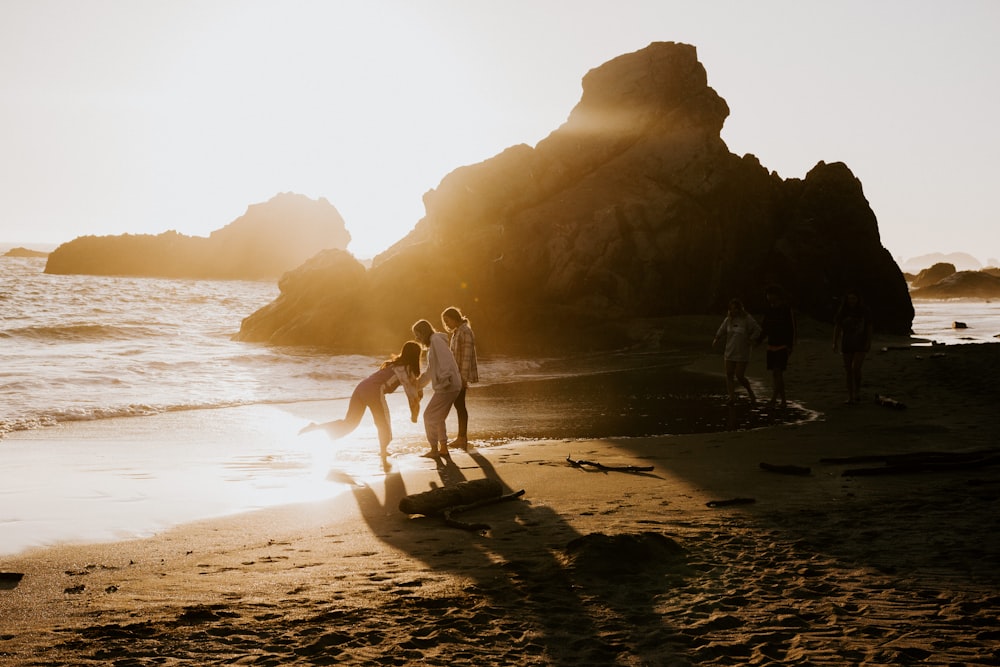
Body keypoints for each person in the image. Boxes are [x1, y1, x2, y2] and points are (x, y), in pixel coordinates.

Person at [299, 341, 422, 471]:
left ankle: (317, 427)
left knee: (350, 423)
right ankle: (383, 451)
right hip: (374, 391)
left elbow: (412, 390)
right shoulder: (406, 369)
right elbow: (412, 395)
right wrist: (414, 415)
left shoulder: (394, 365)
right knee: (383, 421)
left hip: (361, 387)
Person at [412, 318, 463, 459]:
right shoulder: (434, 343)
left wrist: (445, 379)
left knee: (429, 416)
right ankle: (443, 449)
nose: (417, 338)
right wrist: (417, 385)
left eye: (417, 334)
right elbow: (430, 371)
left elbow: (446, 360)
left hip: (448, 385)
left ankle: (434, 449)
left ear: (423, 332)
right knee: (438, 418)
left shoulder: (436, 340)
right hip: (449, 385)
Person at [441, 306, 479, 451]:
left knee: (459, 405)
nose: (446, 324)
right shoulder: (457, 332)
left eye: (447, 320)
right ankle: (461, 437)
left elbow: (467, 357)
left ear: (454, 317)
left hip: (459, 376)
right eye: (444, 321)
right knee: (459, 405)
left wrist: (462, 378)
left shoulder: (465, 332)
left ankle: (462, 438)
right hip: (455, 374)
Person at [712, 298, 762, 404]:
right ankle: (731, 397)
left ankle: (750, 391)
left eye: (735, 309)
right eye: (731, 309)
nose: (733, 311)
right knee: (729, 374)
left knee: (739, 375)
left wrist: (751, 339)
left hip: (742, 352)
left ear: (740, 309)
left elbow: (758, 330)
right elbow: (721, 329)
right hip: (730, 350)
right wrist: (716, 338)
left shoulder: (747, 319)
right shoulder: (728, 319)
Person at [757, 285, 796, 409]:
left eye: (771, 294)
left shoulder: (785, 309)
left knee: (777, 372)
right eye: (768, 295)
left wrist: (790, 345)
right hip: (771, 344)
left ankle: (776, 399)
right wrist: (758, 341)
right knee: (775, 374)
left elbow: (791, 328)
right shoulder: (769, 310)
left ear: (777, 296)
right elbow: (765, 328)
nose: (769, 297)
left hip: (782, 345)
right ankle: (782, 400)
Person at [832, 289, 873, 404]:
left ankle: (857, 392)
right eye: (850, 298)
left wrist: (869, 341)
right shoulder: (843, 311)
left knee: (856, 369)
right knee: (848, 370)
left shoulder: (864, 311)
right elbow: (837, 327)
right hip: (847, 342)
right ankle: (850, 396)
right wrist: (834, 342)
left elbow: (869, 327)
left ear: (858, 299)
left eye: (854, 298)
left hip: (861, 342)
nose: (852, 301)